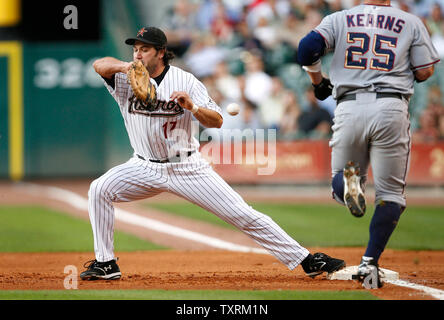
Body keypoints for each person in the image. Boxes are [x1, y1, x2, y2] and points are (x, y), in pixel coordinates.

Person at [79, 26, 345, 281]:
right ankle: (106, 263)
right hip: (143, 165)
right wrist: (126, 67)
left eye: (144, 49)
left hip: (186, 167)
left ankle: (307, 260)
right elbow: (99, 65)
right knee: (99, 189)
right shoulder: (126, 78)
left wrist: (192, 107)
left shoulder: (185, 80)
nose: (137, 54)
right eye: (135, 49)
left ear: (161, 52)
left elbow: (217, 120)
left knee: (242, 214)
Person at [297, 0, 440, 288]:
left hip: (349, 106)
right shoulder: (410, 21)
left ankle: (352, 184)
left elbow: (306, 47)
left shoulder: (340, 19)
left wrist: (317, 80)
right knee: (391, 195)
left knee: (341, 182)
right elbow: (425, 72)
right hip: (391, 106)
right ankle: (369, 262)